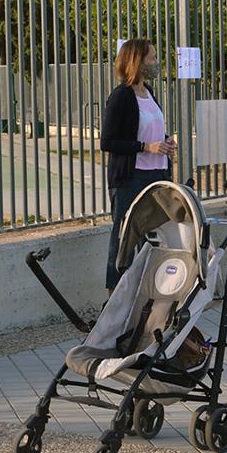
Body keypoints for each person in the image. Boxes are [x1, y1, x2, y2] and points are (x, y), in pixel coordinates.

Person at [100, 38, 175, 290]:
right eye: (152, 58)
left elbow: (149, 132)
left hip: (157, 174)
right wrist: (145, 147)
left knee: (153, 237)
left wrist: (164, 143)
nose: (156, 62)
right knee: (124, 237)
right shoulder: (122, 96)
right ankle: (116, 294)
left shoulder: (149, 93)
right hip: (132, 179)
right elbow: (108, 141)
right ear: (137, 62)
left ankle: (146, 291)